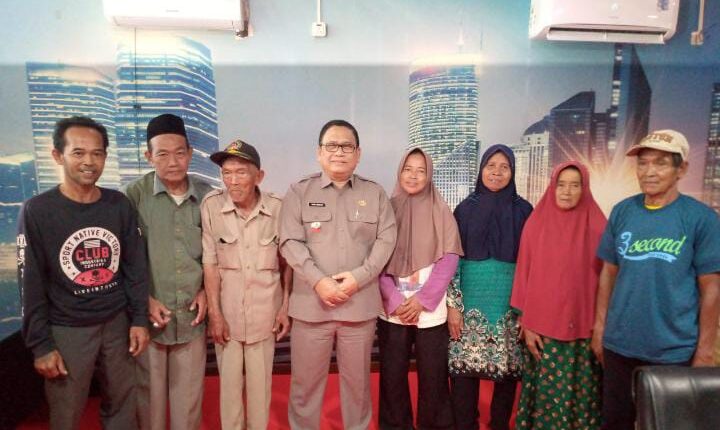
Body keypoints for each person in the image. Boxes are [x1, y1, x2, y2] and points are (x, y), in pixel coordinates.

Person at [17, 116, 149, 429]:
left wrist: (140, 319)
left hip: (117, 323)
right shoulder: (37, 211)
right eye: (78, 152)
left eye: (97, 153)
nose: (89, 161)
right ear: (57, 155)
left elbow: (135, 267)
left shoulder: (118, 204)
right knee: (66, 414)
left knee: (123, 408)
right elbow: (30, 283)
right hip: (67, 328)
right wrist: (41, 345)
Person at [591, 130, 720, 430]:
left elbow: (711, 288)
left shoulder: (701, 218)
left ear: (681, 169)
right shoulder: (623, 211)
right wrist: (600, 328)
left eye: (660, 163)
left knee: (667, 424)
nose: (649, 171)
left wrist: (704, 352)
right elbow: (608, 274)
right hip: (620, 345)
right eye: (643, 163)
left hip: (674, 350)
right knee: (616, 422)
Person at [279, 119, 397, 429]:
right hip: (311, 307)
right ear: (319, 152)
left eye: (347, 146)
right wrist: (319, 281)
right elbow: (289, 242)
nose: (339, 152)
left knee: (358, 390)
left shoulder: (375, 193)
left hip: (358, 308)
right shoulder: (299, 192)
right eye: (332, 145)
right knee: (305, 388)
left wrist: (359, 277)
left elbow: (386, 241)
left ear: (358, 154)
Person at [122, 113, 213, 430]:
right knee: (149, 404)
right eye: (162, 154)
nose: (173, 162)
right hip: (149, 319)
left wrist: (207, 291)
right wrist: (143, 299)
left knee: (188, 405)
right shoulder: (133, 196)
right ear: (148, 156)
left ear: (190, 153)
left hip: (192, 317)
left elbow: (219, 254)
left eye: (179, 152)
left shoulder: (208, 197)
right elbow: (121, 258)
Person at [202, 139, 291, 429]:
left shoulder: (278, 208)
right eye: (226, 173)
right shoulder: (211, 206)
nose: (232, 181)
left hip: (265, 317)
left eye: (241, 172)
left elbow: (288, 264)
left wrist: (285, 307)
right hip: (227, 318)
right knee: (229, 394)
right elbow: (210, 263)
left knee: (260, 392)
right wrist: (215, 314)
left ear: (259, 176)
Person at [510, 161, 606, 429]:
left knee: (581, 397)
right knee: (546, 399)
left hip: (584, 334)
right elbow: (523, 276)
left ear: (585, 188)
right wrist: (527, 322)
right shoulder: (536, 224)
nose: (567, 191)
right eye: (561, 185)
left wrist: (601, 327)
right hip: (542, 332)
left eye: (575, 185)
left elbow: (608, 281)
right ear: (552, 187)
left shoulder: (599, 227)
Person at [447, 144, 533, 430]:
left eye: (504, 167)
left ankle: (499, 425)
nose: (497, 172)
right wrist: (454, 306)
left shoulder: (524, 211)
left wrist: (526, 310)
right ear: (481, 169)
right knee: (463, 373)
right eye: (490, 166)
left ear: (513, 172)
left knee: (506, 374)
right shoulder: (464, 209)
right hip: (469, 306)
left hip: (509, 305)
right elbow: (452, 260)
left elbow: (532, 264)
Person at [378, 148, 462, 430]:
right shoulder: (386, 209)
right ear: (399, 172)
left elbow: (450, 258)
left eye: (421, 171)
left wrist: (422, 300)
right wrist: (394, 299)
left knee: (434, 377)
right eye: (408, 169)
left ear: (429, 175)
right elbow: (376, 259)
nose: (413, 176)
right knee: (392, 377)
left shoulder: (441, 210)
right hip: (393, 311)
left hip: (430, 312)